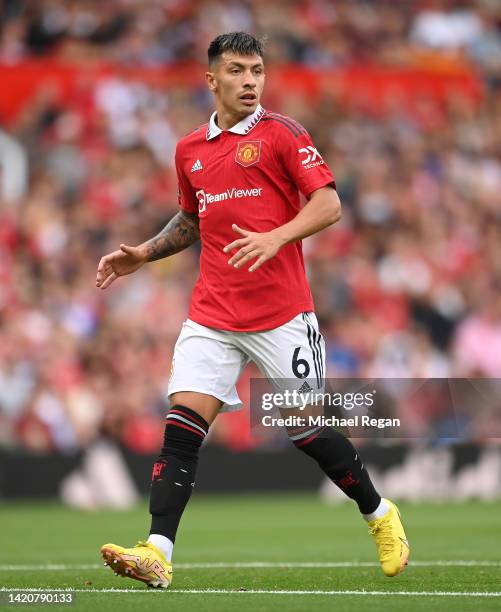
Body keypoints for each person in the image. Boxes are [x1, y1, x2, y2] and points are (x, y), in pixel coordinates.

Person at [96, 32, 409, 589]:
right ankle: (158, 551)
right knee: (182, 427)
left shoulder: (283, 134)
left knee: (306, 431)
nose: (250, 81)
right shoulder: (189, 149)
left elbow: (330, 202)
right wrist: (143, 253)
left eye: (257, 70)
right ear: (211, 79)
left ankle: (380, 514)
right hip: (212, 313)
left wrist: (277, 237)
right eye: (237, 71)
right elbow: (191, 219)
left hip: (282, 314)